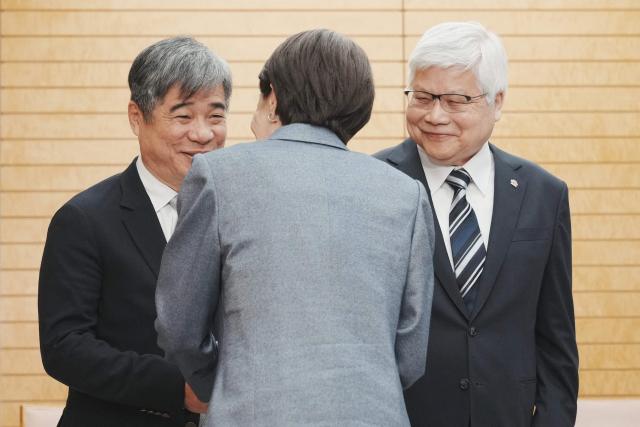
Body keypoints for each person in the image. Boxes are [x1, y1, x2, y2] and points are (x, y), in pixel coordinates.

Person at [155, 29, 435, 426]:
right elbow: (410, 353)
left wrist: (227, 385)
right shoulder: (406, 194)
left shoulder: (219, 175)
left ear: (273, 97)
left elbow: (179, 326)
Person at [375, 21, 579, 427]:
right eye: (423, 96)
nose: (435, 115)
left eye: (455, 100)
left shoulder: (544, 195)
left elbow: (557, 342)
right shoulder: (373, 183)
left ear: (497, 101)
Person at [38, 36, 232, 427]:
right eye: (182, 116)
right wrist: (179, 389)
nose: (203, 134)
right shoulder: (84, 219)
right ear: (136, 116)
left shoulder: (240, 211)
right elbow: (65, 347)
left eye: (215, 116)